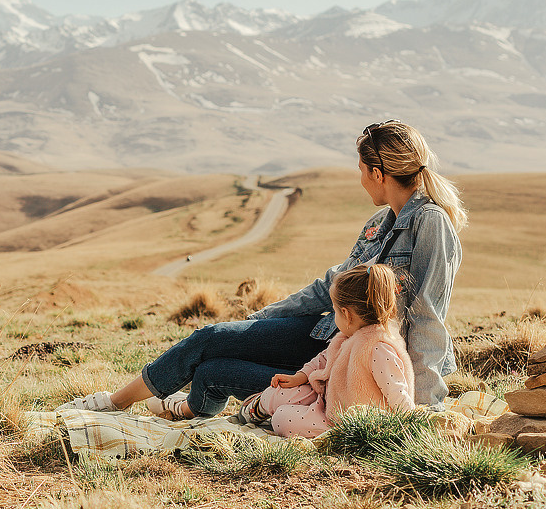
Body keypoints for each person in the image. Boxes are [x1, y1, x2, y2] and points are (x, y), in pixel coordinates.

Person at [57, 119, 465, 418]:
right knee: (211, 337)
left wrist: (419, 408)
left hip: (362, 362)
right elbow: (330, 288)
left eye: (361, 172)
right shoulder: (378, 223)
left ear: (378, 173)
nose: (360, 181)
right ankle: (122, 402)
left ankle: (125, 405)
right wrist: (260, 321)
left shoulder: (431, 224)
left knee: (213, 370)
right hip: (328, 336)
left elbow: (428, 316)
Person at [235, 263, 415, 437]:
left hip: (344, 422)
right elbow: (324, 358)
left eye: (335, 312)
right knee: (277, 393)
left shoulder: (379, 348)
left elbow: (397, 393)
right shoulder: (349, 336)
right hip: (329, 399)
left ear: (347, 315)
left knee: (283, 420)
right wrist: (301, 376)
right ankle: (258, 407)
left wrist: (413, 427)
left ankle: (280, 415)